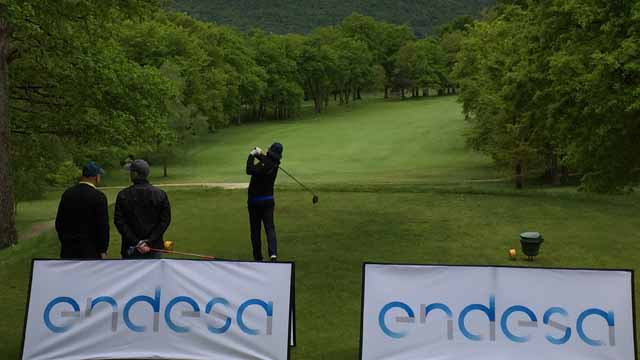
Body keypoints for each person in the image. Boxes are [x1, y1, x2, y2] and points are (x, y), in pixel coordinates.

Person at [114, 159, 171, 259]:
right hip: (154, 247)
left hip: (130, 248)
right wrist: (150, 241)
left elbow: (120, 222)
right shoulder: (160, 194)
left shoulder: (123, 195)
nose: (130, 174)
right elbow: (164, 221)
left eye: (131, 172)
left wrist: (136, 242)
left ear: (135, 174)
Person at [55, 161, 109, 259]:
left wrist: (65, 241)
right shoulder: (99, 197)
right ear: (96, 177)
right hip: (91, 250)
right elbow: (103, 226)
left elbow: (59, 223)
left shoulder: (68, 194)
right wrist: (103, 249)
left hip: (68, 249)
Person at [246, 142, 283, 261]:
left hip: (254, 201)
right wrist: (259, 154)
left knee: (255, 230)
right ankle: (273, 253)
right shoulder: (275, 164)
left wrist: (251, 155)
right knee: (270, 227)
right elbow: (266, 160)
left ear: (270, 151)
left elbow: (249, 169)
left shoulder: (262, 165)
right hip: (268, 200)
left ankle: (258, 257)